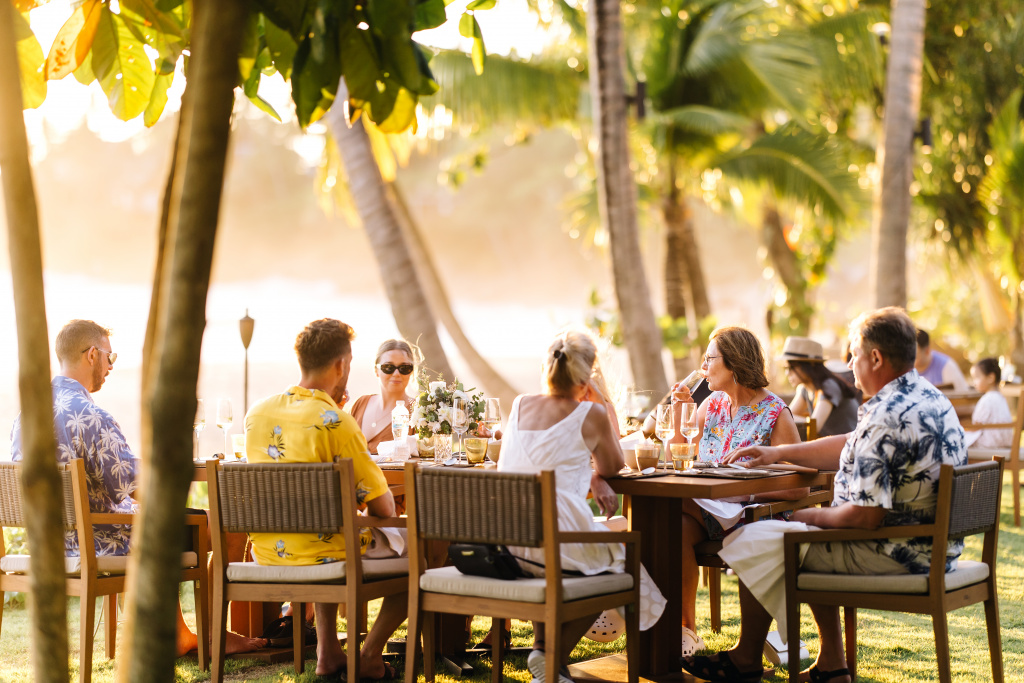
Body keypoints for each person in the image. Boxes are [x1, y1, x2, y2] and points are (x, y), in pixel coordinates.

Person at [678, 307, 966, 683]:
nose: (848, 364)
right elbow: (850, 441)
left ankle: (749, 659)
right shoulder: (922, 397)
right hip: (936, 546)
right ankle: (828, 664)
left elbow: (863, 517)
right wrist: (780, 453)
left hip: (895, 550)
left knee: (757, 538)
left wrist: (808, 516)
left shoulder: (887, 415)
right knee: (777, 535)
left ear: (876, 358)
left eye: (853, 354)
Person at [9, 319, 264, 657]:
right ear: (92, 355)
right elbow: (137, 488)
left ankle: (178, 632)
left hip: (51, 543)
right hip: (105, 542)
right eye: (110, 358)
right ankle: (214, 634)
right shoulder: (92, 416)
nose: (111, 367)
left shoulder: (26, 416)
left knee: (163, 518)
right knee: (226, 525)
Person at [497, 330, 666, 683]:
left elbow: (543, 463)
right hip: (556, 544)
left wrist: (589, 475)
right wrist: (598, 400)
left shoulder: (520, 404)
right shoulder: (590, 413)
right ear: (587, 374)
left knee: (570, 554)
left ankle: (547, 657)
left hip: (509, 541)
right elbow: (614, 466)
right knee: (618, 570)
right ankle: (551, 657)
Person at [244, 318, 405, 680]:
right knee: (424, 552)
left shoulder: (257, 413)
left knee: (327, 532)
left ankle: (328, 652)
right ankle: (370, 655)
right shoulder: (337, 421)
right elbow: (383, 508)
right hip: (327, 553)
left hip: (268, 552)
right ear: (342, 365)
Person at [668, 326, 802, 656]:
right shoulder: (712, 404)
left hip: (754, 515)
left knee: (670, 510)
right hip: (710, 511)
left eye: (710, 358)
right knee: (671, 524)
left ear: (734, 363)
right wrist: (680, 411)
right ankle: (685, 630)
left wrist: (745, 492)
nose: (703, 367)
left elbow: (798, 485)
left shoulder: (775, 412)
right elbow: (677, 457)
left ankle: (620, 602)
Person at [779, 336, 861, 438]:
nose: (787, 373)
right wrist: (784, 417)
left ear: (809, 365)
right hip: (831, 442)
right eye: (786, 368)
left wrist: (783, 417)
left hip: (850, 443)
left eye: (792, 367)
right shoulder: (804, 388)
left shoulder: (829, 386)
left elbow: (815, 426)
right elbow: (787, 416)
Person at [349, 339, 419, 454]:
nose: (396, 374)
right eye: (388, 367)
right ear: (376, 370)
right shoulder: (360, 404)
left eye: (404, 368)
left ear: (411, 371)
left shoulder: (419, 411)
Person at [965, 357, 1013, 448]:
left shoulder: (987, 399)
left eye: (976, 378)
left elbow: (976, 425)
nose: (974, 382)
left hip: (989, 445)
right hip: (1004, 444)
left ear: (991, 378)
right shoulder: (1001, 398)